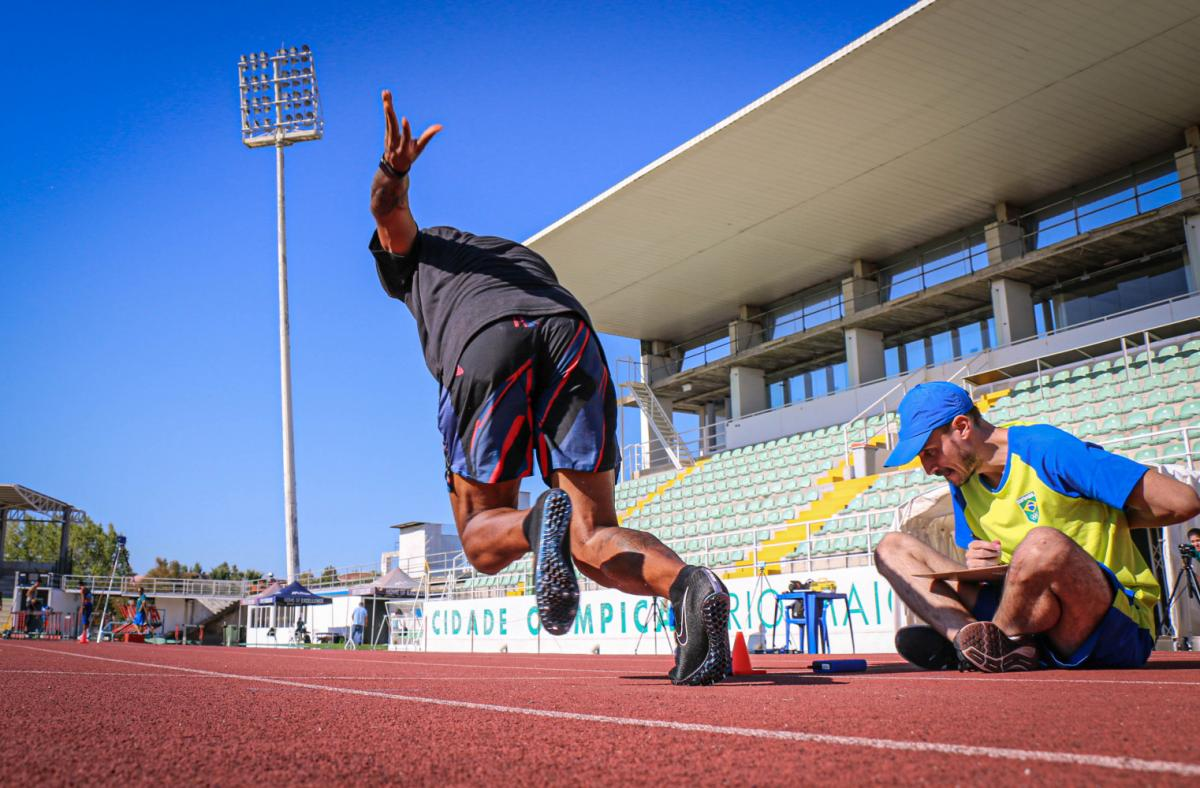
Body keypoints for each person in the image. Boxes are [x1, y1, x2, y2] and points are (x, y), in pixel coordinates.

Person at [366, 91, 729, 685]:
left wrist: (394, 170)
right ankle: (690, 585)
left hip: (486, 343)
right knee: (591, 536)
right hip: (572, 331)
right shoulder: (519, 258)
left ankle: (537, 523)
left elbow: (388, 211)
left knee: (483, 543)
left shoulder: (422, 253)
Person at [874, 381, 1200, 672]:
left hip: (1111, 620)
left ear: (962, 427)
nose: (928, 467)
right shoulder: (963, 480)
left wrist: (1113, 519)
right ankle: (969, 640)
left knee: (1042, 543)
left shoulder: (1047, 449)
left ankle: (987, 646)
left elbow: (1183, 500)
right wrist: (980, 564)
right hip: (1033, 611)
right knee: (892, 548)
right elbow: (1001, 571)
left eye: (930, 452)